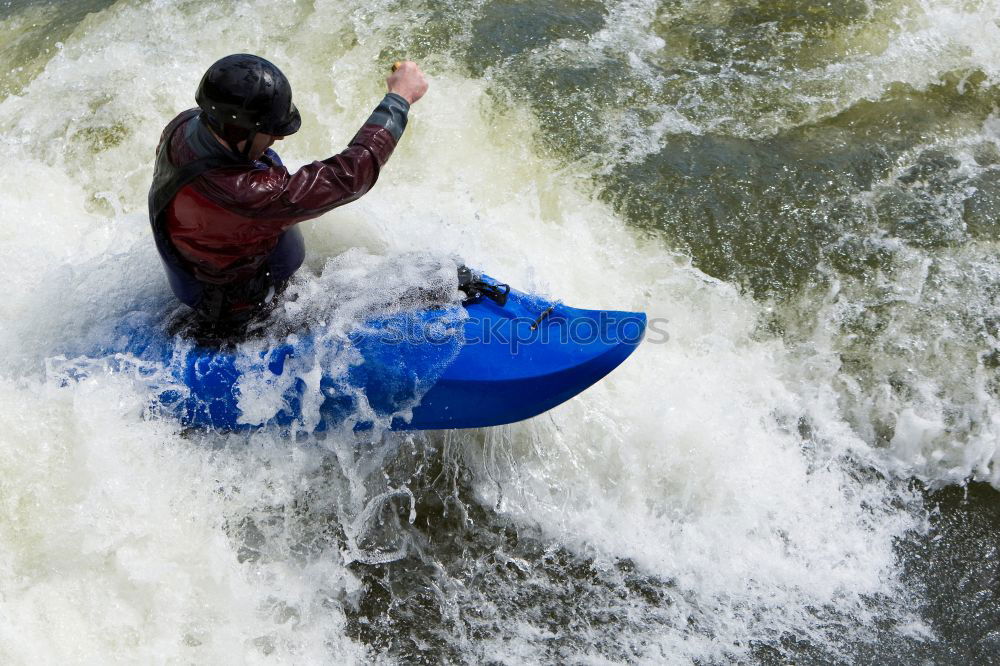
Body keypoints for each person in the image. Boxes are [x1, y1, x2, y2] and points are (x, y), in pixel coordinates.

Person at [148, 53, 427, 334]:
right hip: (249, 312)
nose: (277, 138)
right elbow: (350, 175)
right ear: (236, 130)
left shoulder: (185, 125)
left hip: (209, 266)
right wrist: (399, 98)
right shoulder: (248, 195)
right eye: (267, 131)